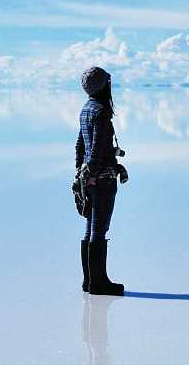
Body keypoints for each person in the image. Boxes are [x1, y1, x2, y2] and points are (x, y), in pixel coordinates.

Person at [76, 66, 126, 296]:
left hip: (90, 178)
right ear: (104, 86)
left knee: (90, 229)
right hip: (102, 179)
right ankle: (99, 283)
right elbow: (96, 148)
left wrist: (82, 174)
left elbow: (81, 147)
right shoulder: (102, 111)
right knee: (99, 229)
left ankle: (89, 282)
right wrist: (95, 173)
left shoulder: (86, 109)